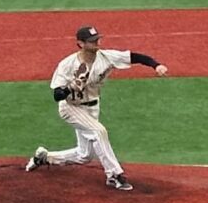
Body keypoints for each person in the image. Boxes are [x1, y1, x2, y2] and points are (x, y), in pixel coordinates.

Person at [25, 25, 168, 191]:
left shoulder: (106, 57)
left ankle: (44, 157)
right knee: (99, 131)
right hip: (71, 108)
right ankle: (114, 175)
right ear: (81, 44)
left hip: (92, 108)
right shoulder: (67, 64)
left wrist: (156, 65)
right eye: (92, 41)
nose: (97, 42)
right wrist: (71, 87)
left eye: (97, 39)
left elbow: (134, 57)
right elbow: (57, 96)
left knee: (84, 155)